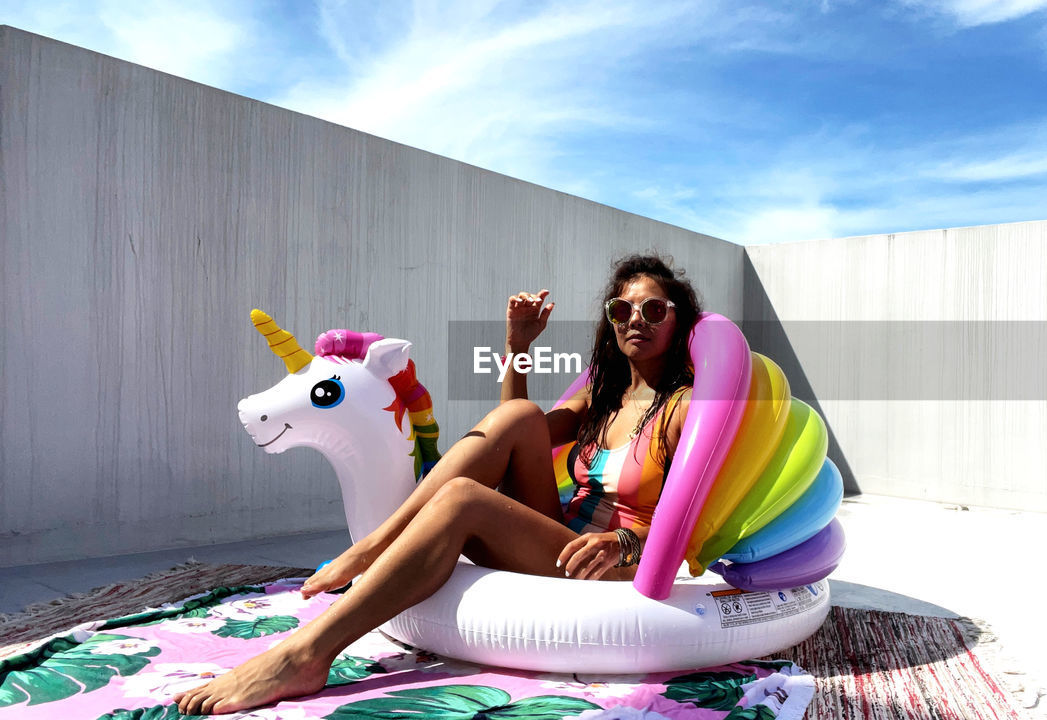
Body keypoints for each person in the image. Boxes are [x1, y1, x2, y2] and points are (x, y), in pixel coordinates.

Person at [175, 254, 703, 715]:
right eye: (622, 309)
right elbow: (512, 436)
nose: (636, 318)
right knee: (520, 414)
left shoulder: (685, 407)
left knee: (463, 499)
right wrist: (516, 345)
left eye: (654, 309)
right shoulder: (601, 399)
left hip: (611, 562)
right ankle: (375, 548)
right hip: (557, 536)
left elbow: (696, 517)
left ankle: (306, 653)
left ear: (679, 324)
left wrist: (624, 542)